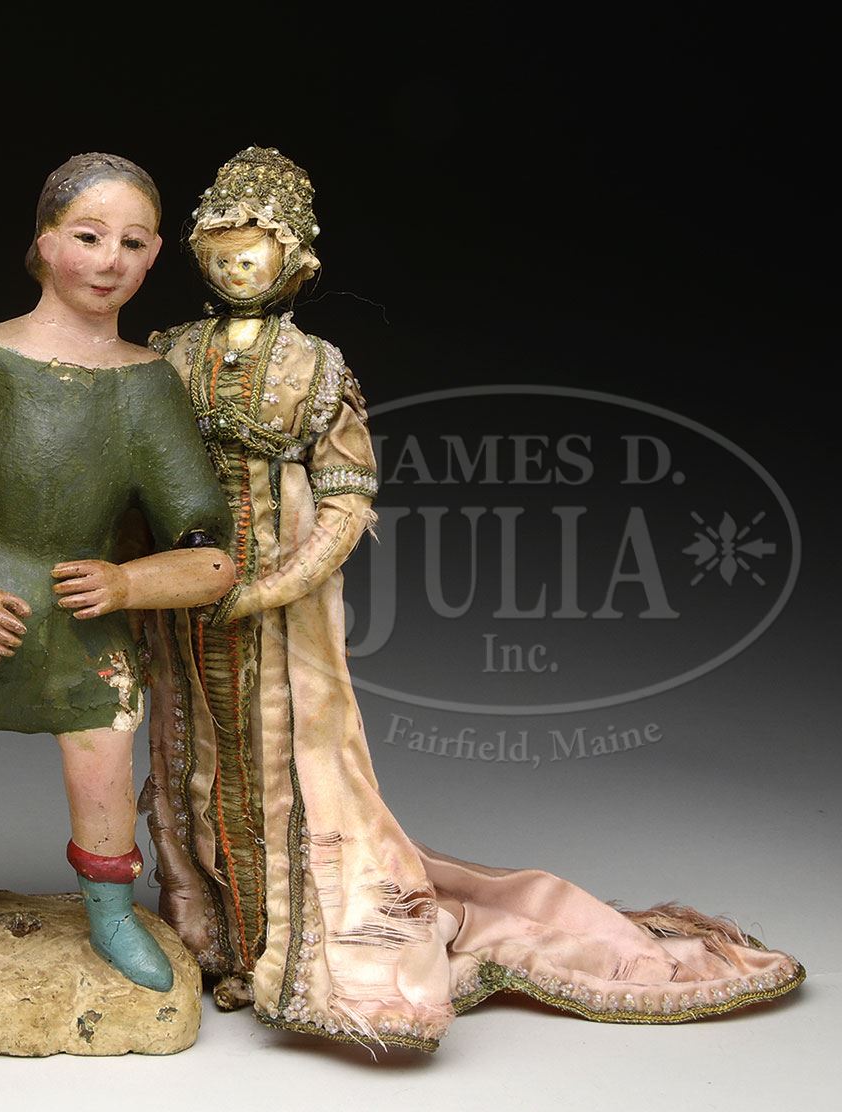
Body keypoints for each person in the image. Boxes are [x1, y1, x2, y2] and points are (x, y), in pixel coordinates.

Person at [141, 147, 804, 1049]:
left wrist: (275, 587)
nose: (232, 269)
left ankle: (287, 946)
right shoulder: (167, 353)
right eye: (217, 253)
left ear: (294, 260)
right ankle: (211, 936)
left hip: (283, 602)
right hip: (176, 590)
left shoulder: (318, 366)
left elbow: (346, 497)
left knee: (292, 758)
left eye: (250, 252)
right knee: (190, 750)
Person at [0, 153, 234, 991]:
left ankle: (111, 915)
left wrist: (129, 584)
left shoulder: (149, 385)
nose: (111, 261)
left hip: (87, 629)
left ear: (155, 257)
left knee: (102, 765)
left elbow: (211, 558)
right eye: (89, 236)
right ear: (44, 242)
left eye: (134, 243)